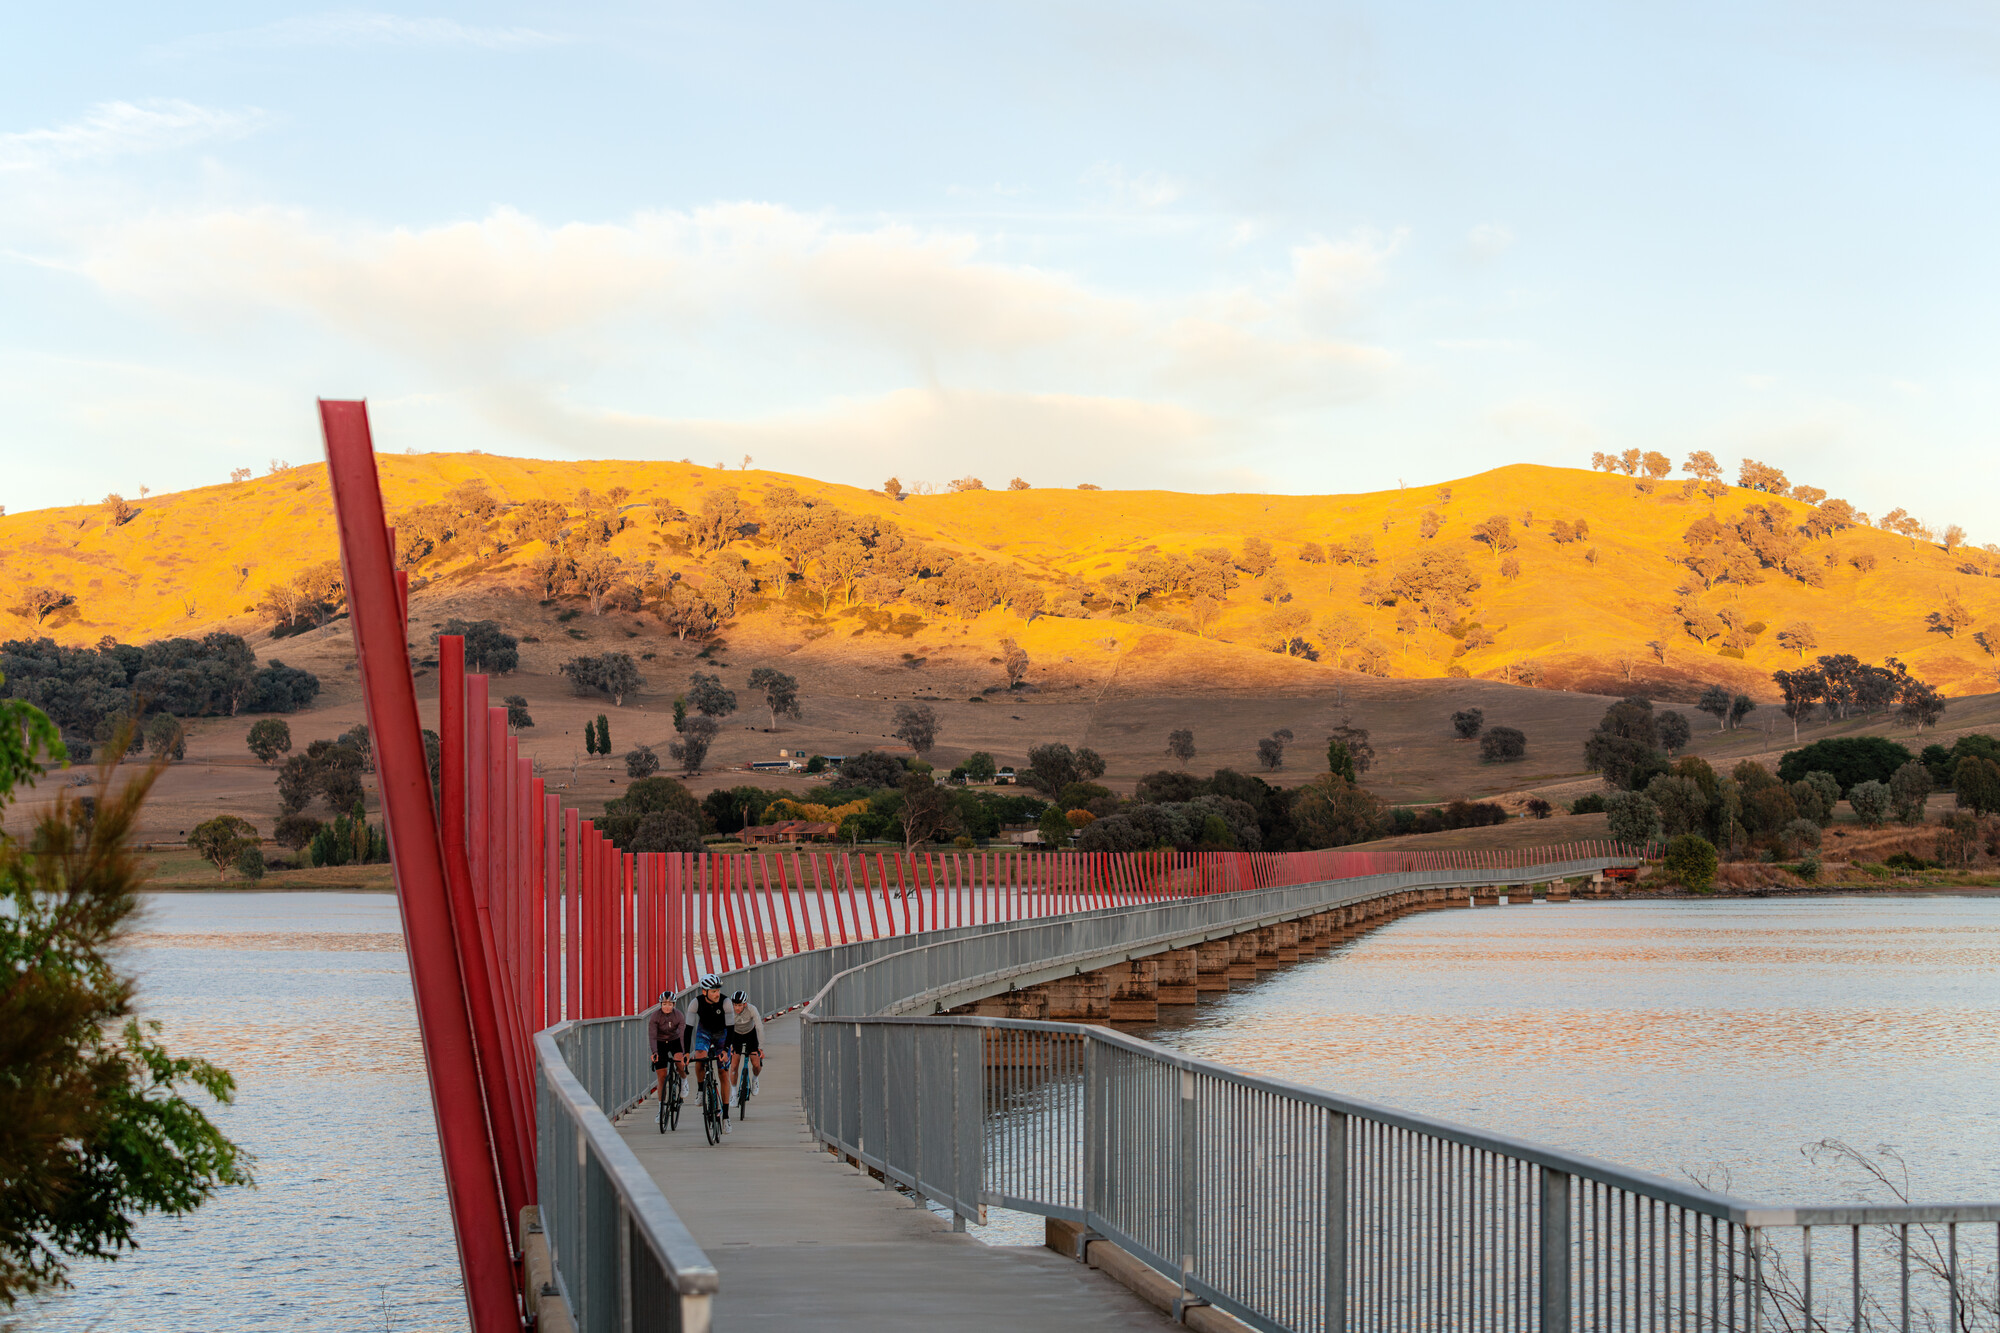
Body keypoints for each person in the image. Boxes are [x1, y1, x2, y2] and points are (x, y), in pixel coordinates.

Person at [685, 974, 736, 1133]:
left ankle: (726, 1117)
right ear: (704, 991)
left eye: (718, 990)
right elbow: (688, 1029)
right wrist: (686, 1052)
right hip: (704, 1032)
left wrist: (727, 1050)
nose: (717, 994)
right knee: (700, 1056)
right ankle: (701, 1090)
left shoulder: (726, 1002)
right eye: (713, 991)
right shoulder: (696, 1003)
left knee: (722, 1072)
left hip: (722, 1035)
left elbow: (731, 1029)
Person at [647, 990, 688, 1106]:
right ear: (660, 1005)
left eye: (670, 1004)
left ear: (674, 1005)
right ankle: (661, 1108)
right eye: (664, 1004)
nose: (667, 1007)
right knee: (662, 1076)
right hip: (660, 1042)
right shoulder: (655, 1016)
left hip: (674, 1040)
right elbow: (652, 1036)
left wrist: (684, 1053)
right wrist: (654, 1052)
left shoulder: (678, 1015)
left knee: (679, 1061)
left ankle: (684, 1079)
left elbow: (682, 1035)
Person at [726, 989, 765, 1097]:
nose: (737, 1008)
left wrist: (760, 1048)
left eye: (739, 1005)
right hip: (736, 1034)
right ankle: (733, 1092)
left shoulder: (752, 1009)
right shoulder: (729, 1011)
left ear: (745, 1004)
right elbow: (726, 1029)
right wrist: (729, 1046)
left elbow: (760, 1028)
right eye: (735, 1005)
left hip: (750, 1034)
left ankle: (755, 1079)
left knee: (756, 1064)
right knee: (734, 1066)